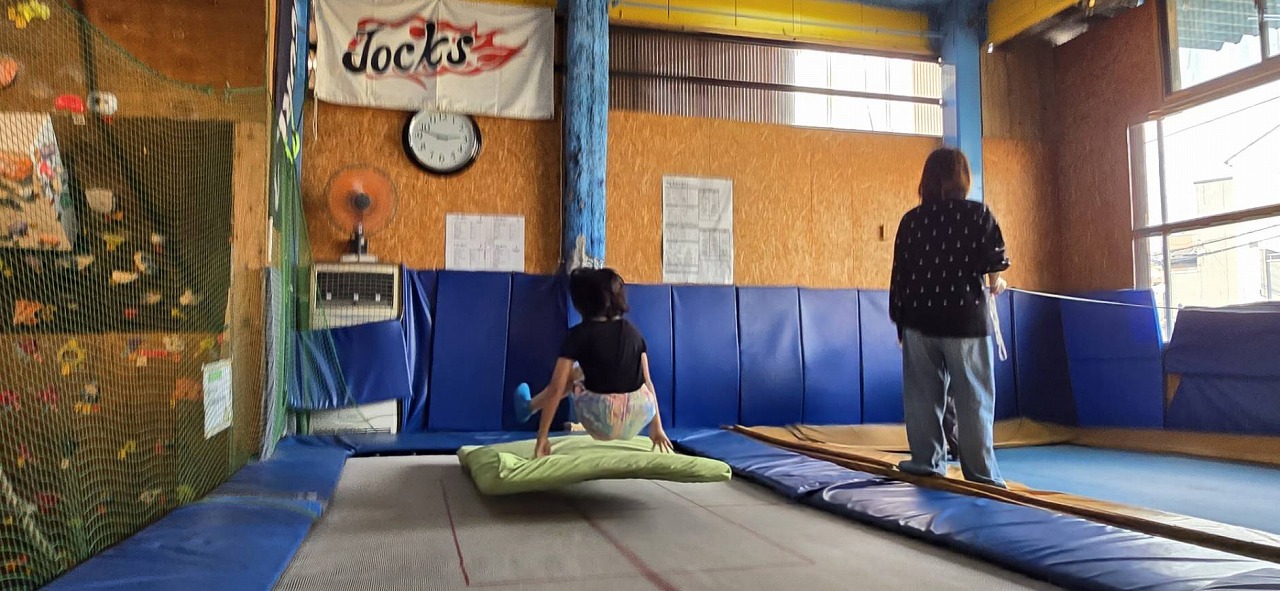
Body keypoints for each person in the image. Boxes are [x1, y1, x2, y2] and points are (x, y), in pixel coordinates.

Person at [889, 147, 1009, 488]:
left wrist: (900, 322)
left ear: (926, 180)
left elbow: (900, 276)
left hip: (919, 321)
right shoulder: (977, 214)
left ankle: (925, 462)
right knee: (973, 399)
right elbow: (994, 263)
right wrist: (996, 283)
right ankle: (981, 473)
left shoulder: (911, 221)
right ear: (963, 179)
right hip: (965, 321)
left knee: (922, 398)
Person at [513, 268, 674, 458]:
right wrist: (657, 428)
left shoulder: (577, 335)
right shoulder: (633, 333)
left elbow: (556, 388)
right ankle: (529, 407)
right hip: (637, 418)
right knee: (595, 373)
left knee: (572, 374)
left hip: (601, 420)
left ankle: (529, 407)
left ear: (581, 304)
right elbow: (647, 383)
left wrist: (542, 437)